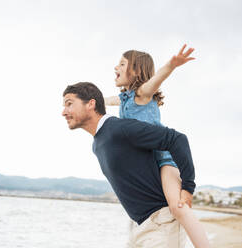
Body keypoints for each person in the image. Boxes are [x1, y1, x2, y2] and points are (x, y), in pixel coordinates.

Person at [62, 82, 204, 247]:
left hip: (160, 225)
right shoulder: (98, 143)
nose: (64, 111)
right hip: (138, 227)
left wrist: (188, 187)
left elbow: (177, 139)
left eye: (69, 104)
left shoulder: (118, 129)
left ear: (91, 104)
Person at [104, 45, 210, 248]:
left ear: (136, 71)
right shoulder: (124, 98)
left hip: (164, 158)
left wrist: (172, 64)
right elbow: (103, 100)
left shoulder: (143, 93)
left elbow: (157, 78)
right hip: (147, 164)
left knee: (177, 206)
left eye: (122, 64)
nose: (115, 67)